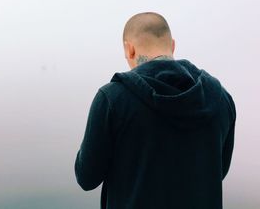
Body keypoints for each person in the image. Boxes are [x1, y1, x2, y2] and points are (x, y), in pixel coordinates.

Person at [74, 12, 236, 209]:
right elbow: (218, 172)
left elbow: (87, 178)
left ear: (130, 49)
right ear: (173, 45)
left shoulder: (112, 99)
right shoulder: (220, 99)